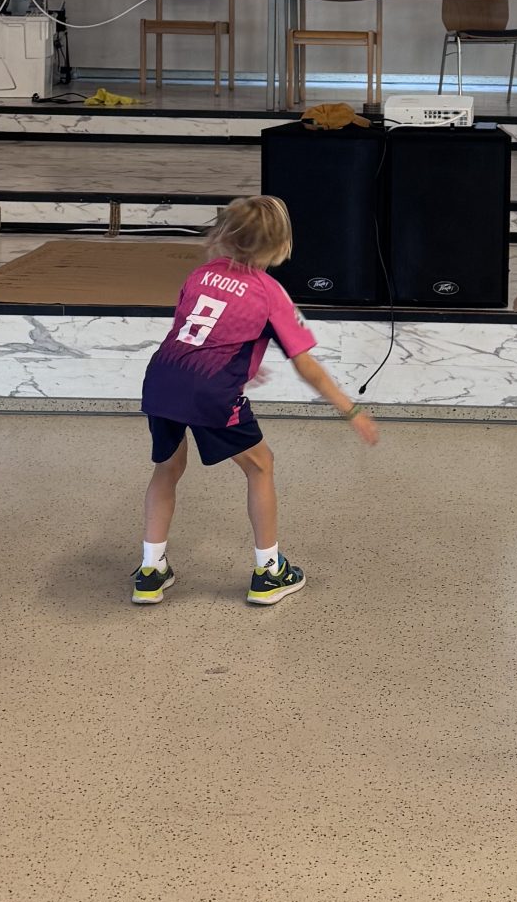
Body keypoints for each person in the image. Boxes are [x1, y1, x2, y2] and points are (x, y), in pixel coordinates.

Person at [132, 194, 379, 607]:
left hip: (161, 380)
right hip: (211, 392)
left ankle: (150, 571)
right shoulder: (269, 293)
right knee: (261, 465)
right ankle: (269, 572)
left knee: (167, 468)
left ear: (225, 233)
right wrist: (350, 410)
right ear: (280, 244)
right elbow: (307, 366)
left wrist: (242, 366)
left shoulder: (200, 275)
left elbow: (194, 332)